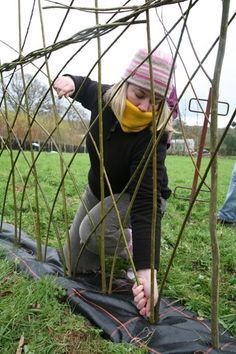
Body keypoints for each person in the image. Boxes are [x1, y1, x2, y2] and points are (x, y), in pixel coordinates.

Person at [53, 48, 176, 317]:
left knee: (93, 231)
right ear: (125, 85)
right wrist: (69, 79)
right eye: (139, 95)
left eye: (155, 101)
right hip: (98, 190)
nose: (144, 107)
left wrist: (147, 270)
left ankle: (130, 245)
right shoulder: (104, 98)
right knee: (74, 263)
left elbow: (145, 204)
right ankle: (111, 239)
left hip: (132, 197)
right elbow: (83, 86)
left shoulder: (152, 136)